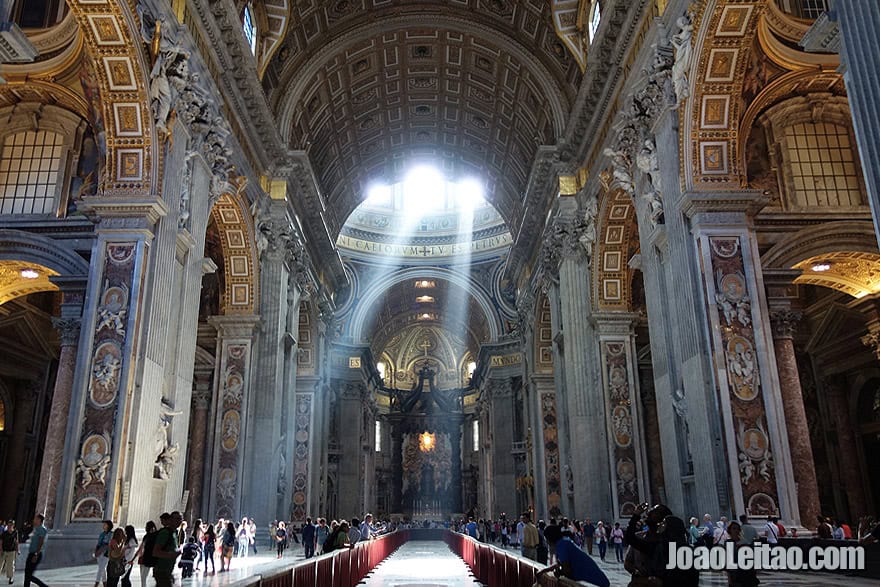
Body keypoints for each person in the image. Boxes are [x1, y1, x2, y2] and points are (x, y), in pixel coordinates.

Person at [536, 529, 610, 587]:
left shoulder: (561, 545)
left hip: (594, 583)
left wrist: (560, 572)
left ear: (549, 538)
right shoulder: (563, 542)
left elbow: (566, 569)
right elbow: (560, 563)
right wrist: (545, 570)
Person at [152, 511, 182, 587]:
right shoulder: (165, 533)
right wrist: (170, 555)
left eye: (180, 519)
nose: (179, 521)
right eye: (177, 519)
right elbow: (155, 552)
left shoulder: (174, 533)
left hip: (167, 571)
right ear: (171, 520)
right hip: (161, 571)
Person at [726, 522, 759, 587]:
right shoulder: (728, 543)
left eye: (738, 529)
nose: (736, 530)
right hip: (736, 576)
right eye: (734, 528)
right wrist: (729, 580)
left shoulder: (746, 542)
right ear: (729, 531)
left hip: (748, 575)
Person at [23, 514, 48, 587]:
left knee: (28, 575)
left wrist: (36, 554)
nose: (34, 520)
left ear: (39, 520)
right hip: (31, 553)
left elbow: (41, 542)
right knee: (27, 574)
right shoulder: (36, 528)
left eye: (36, 518)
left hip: (35, 554)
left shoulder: (42, 529)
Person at [135, 521, 157, 587]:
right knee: (142, 577)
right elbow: (141, 547)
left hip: (148, 558)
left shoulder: (154, 537)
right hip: (143, 557)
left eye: (146, 526)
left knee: (143, 577)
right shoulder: (146, 536)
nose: (145, 528)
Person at [93, 520, 113, 587]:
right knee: (102, 569)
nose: (103, 526)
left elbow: (109, 544)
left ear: (108, 526)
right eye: (103, 524)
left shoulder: (111, 534)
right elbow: (98, 543)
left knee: (101, 568)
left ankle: (96, 583)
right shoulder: (102, 534)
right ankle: (105, 584)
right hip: (99, 553)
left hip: (106, 553)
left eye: (105, 524)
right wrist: (96, 551)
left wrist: (102, 549)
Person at [0, 519, 18, 584]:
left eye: (11, 525)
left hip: (11, 551)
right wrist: (1, 550)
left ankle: (11, 578)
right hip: (4, 551)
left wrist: (17, 550)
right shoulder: (4, 533)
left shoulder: (15, 532)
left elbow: (16, 542)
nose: (9, 526)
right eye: (9, 525)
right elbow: (1, 542)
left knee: (10, 565)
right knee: (0, 564)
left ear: (13, 525)